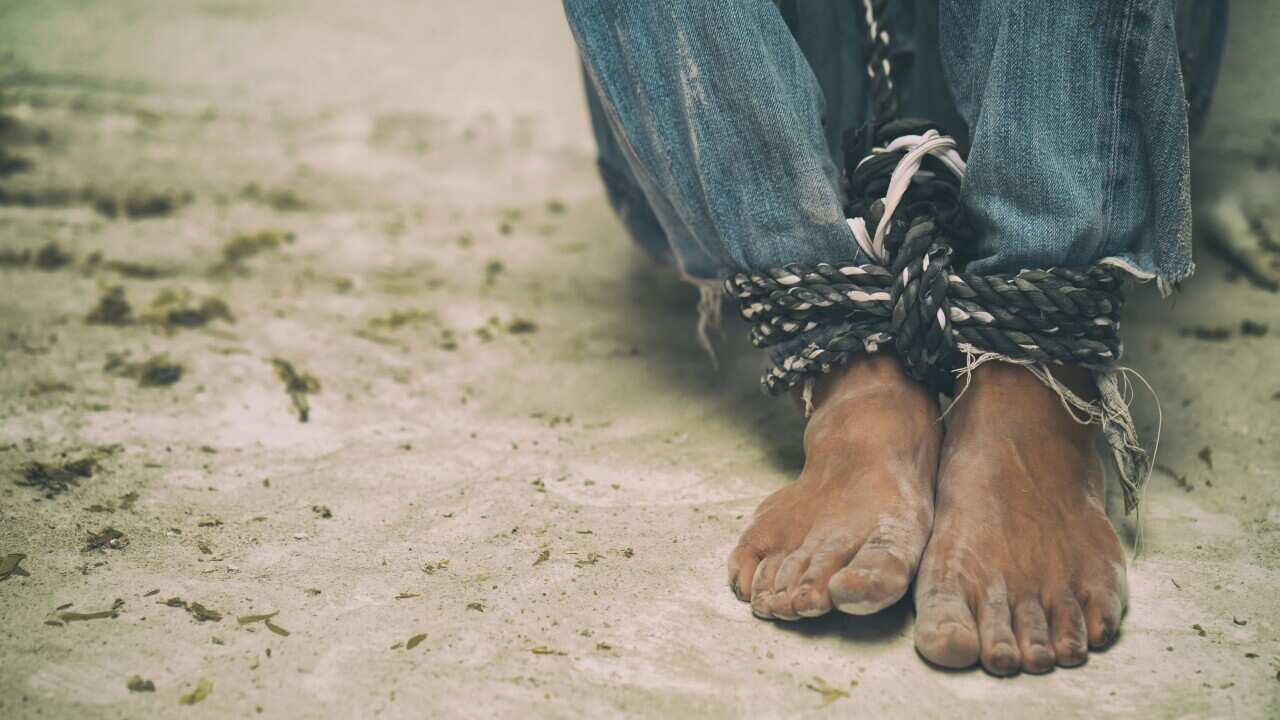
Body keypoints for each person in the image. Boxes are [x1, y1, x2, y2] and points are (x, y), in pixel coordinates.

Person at [562, 0, 1225, 675]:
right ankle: (851, 372)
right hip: (753, 102)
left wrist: (1042, 301)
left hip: (1073, 87)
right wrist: (817, 303)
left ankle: (1035, 375)